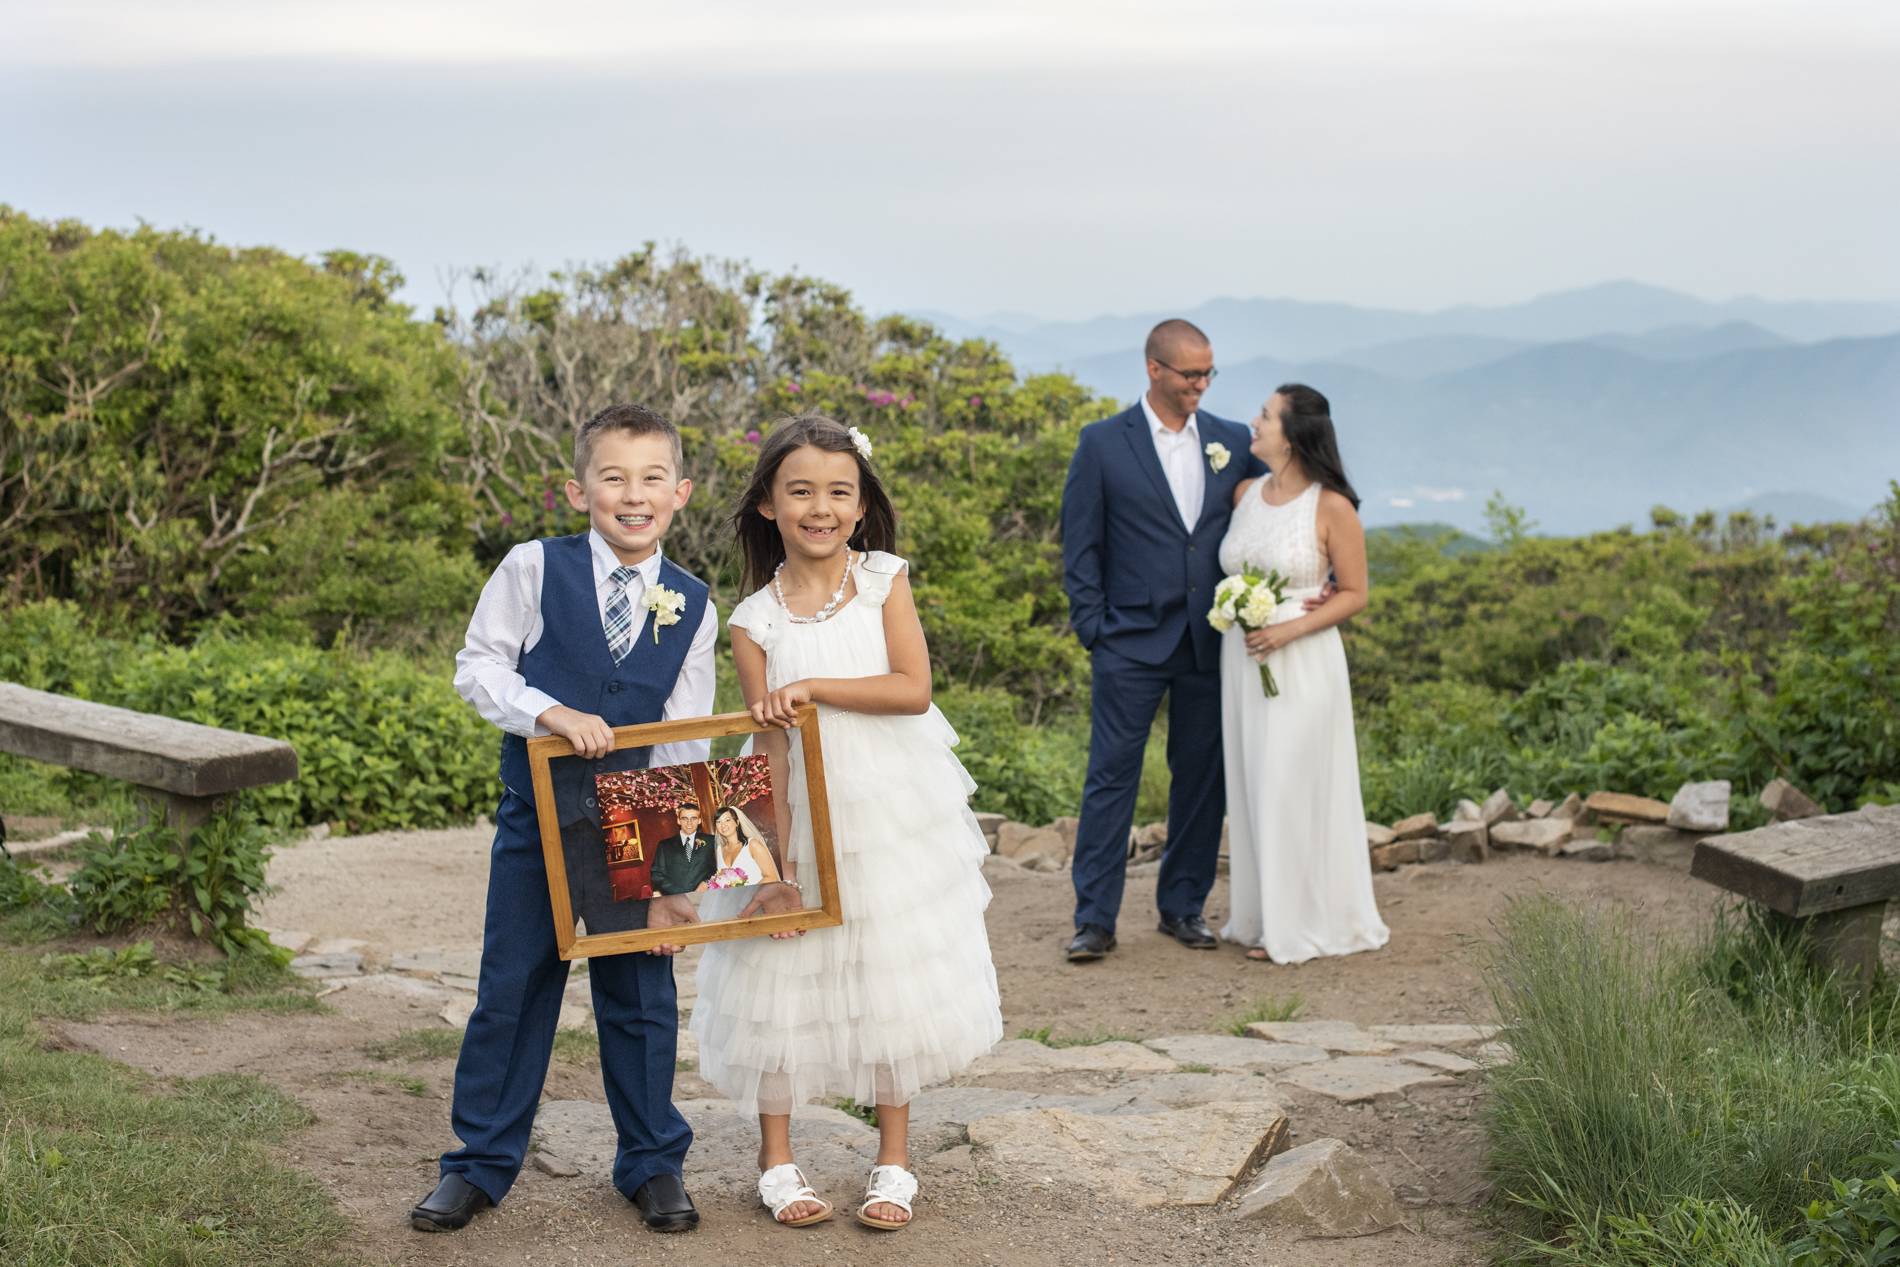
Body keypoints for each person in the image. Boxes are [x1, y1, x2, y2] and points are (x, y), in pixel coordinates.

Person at [692, 413, 1002, 1231]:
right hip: (796, 815)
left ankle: (893, 1157)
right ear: (767, 503)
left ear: (861, 507)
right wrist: (773, 865)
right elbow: (764, 746)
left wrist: (819, 686)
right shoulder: (753, 619)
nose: (820, 507)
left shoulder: (882, 580)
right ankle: (777, 1154)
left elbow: (913, 687)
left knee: (888, 966)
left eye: (839, 491)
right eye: (800, 491)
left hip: (889, 806)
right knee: (777, 972)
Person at [422, 403, 717, 1236]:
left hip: (636, 826)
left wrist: (676, 880)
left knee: (641, 994)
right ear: (579, 486)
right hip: (537, 818)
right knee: (510, 990)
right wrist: (549, 711)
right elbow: (477, 667)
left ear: (680, 491)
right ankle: (478, 1164)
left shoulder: (694, 604)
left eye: (651, 478)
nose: (633, 494)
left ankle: (653, 1162)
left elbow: (683, 743)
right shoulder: (531, 565)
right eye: (613, 476)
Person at [1058, 320, 1268, 961]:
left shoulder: (1233, 439)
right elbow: (1080, 543)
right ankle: (1094, 919)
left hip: (1211, 641)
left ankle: (1184, 906)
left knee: (1202, 779)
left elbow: (1283, 496)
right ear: (1155, 370)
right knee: (1111, 777)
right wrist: (1093, 627)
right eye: (1190, 375)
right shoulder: (1100, 443)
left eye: (1209, 374)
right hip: (1127, 640)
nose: (1201, 385)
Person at [1217, 385, 1388, 963]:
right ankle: (1265, 916)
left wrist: (1287, 630)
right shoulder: (1244, 493)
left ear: (1290, 434)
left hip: (1303, 660)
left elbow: (1357, 593)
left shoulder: (1332, 505)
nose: (1254, 422)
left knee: (1292, 782)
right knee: (1254, 781)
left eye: (1265, 415)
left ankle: (1304, 924)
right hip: (1241, 662)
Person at [704, 804, 781, 887]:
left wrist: (748, 895)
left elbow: (771, 877)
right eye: (718, 822)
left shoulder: (752, 845)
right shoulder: (718, 852)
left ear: (737, 822)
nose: (723, 825)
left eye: (727, 820)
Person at [651, 802, 718, 896]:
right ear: (678, 820)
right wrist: (679, 893)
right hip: (675, 900)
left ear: (699, 820)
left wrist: (706, 882)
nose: (689, 823)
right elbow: (657, 875)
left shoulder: (711, 841)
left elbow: (717, 868)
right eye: (684, 818)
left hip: (705, 898)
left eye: (693, 818)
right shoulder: (664, 845)